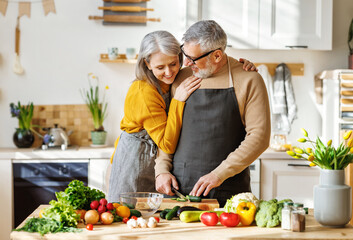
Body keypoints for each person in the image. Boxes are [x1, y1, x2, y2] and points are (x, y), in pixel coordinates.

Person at [107, 30, 257, 202]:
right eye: (160, 67)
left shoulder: (173, 78)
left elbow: (210, 57)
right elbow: (166, 143)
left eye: (173, 63)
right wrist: (178, 99)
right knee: (131, 216)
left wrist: (239, 67)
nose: (169, 72)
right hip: (134, 163)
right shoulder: (143, 93)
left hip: (156, 162)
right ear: (147, 64)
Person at [155, 20, 271, 207]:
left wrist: (219, 174)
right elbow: (166, 132)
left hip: (229, 191)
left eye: (193, 59)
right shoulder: (179, 78)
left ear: (217, 55)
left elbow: (259, 137)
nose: (186, 63)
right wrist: (161, 170)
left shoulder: (249, 79)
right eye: (185, 54)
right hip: (178, 191)